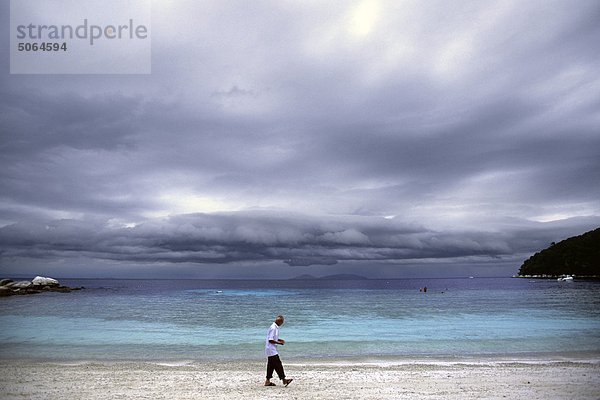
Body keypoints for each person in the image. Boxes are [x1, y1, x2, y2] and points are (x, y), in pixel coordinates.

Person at [264, 315, 293, 387]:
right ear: (279, 321)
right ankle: (284, 380)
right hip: (271, 350)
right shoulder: (273, 328)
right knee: (278, 365)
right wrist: (279, 343)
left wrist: (279, 339)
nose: (282, 324)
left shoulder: (275, 327)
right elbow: (270, 340)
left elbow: (273, 338)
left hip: (270, 349)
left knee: (271, 366)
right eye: (282, 322)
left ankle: (267, 381)